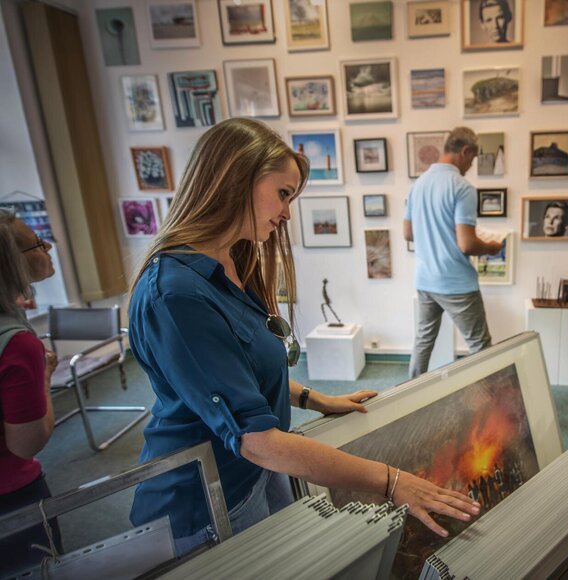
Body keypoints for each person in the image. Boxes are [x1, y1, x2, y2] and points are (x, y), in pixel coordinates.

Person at [127, 118, 479, 556]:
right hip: (209, 504)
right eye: (283, 194)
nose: (288, 213)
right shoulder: (177, 295)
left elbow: (240, 373)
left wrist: (314, 398)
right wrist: (392, 481)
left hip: (253, 475)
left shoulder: (232, 263)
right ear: (238, 178)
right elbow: (257, 440)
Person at [403, 127, 502, 378]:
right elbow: (467, 244)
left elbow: (408, 234)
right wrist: (491, 248)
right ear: (465, 151)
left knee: (423, 341)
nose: (471, 165)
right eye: (473, 158)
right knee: (480, 345)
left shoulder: (418, 185)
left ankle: (409, 397)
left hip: (426, 280)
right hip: (456, 282)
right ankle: (487, 402)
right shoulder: (462, 187)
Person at [0, 209, 63, 574]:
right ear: (12, 263)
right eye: (38, 243)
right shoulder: (18, 344)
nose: (49, 246)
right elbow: (27, 442)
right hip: (12, 499)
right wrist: (44, 373)